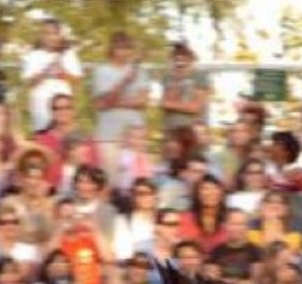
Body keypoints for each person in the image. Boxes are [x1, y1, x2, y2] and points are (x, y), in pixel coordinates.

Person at [93, 32, 149, 180]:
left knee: (136, 179)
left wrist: (114, 103)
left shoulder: (140, 71)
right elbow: (101, 103)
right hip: (108, 135)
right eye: (120, 48)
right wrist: (125, 81)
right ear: (112, 49)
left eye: (128, 48)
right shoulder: (102, 71)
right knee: (109, 179)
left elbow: (143, 101)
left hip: (134, 134)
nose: (124, 52)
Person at [21, 18, 82, 133]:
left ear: (60, 35)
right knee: (44, 144)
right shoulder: (33, 55)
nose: (51, 37)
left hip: (64, 112)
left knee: (66, 143)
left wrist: (62, 72)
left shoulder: (69, 54)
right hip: (41, 111)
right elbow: (29, 83)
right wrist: (45, 72)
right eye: (46, 33)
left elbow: (77, 80)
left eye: (54, 33)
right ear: (41, 36)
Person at [160, 42, 209, 132]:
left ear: (191, 60)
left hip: (193, 130)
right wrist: (176, 80)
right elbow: (164, 104)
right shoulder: (168, 78)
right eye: (176, 59)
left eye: (183, 59)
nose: (180, 63)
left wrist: (171, 104)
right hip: (171, 129)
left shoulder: (200, 76)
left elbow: (195, 107)